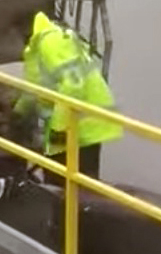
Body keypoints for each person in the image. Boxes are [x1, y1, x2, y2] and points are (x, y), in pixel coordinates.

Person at [11, 10, 123, 185]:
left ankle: (73, 210)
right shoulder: (36, 46)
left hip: (83, 121)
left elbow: (73, 85)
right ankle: (63, 209)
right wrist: (18, 112)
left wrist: (59, 128)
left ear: (24, 30)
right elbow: (34, 88)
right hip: (68, 120)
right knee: (57, 175)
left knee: (75, 182)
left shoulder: (51, 41)